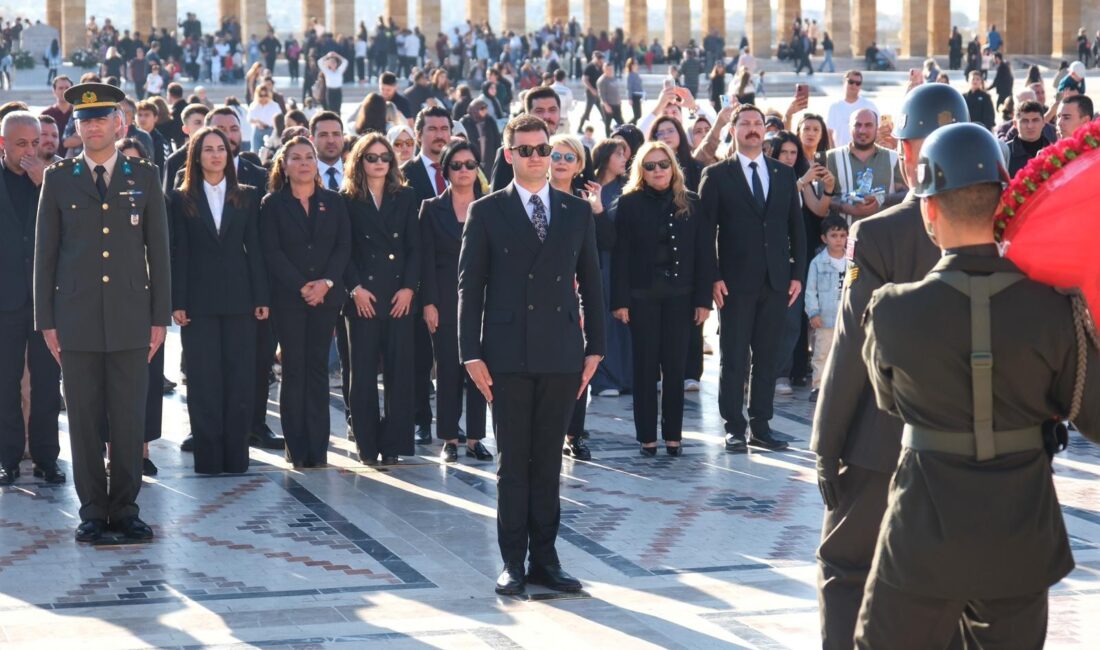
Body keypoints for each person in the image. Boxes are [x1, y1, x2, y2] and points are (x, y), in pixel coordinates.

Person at [853, 120, 1100, 648]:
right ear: (1002, 201)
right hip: (1021, 532)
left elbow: (889, 401)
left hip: (923, 532)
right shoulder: (1055, 310)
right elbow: (1094, 416)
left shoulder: (893, 311)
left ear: (929, 210)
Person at [811, 82, 968, 649]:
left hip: (881, 441)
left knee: (846, 567)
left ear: (903, 151)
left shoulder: (877, 233)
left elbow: (854, 346)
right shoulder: (1000, 229)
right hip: (970, 445)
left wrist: (826, 443)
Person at [458, 114, 605, 596]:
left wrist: (597, 348)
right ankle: (512, 562)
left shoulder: (576, 211)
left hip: (561, 352)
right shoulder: (486, 211)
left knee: (547, 462)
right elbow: (470, 289)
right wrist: (470, 353)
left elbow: (593, 283)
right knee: (513, 463)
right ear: (509, 155)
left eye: (544, 149)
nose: (538, 157)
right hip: (507, 354)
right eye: (526, 150)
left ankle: (546, 559)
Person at [34, 84, 171, 542]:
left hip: (132, 318)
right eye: (84, 119)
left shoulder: (144, 175)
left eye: (100, 118)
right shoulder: (59, 178)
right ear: (76, 126)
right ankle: (93, 510)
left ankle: (126, 509)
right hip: (75, 320)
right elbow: (45, 255)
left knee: (129, 419)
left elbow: (159, 252)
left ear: (119, 124)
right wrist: (46, 321)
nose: (92, 126)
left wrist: (159, 317)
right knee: (84, 420)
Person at [701, 104, 805, 453]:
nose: (752, 129)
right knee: (734, 357)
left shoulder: (783, 174)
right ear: (733, 130)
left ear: (765, 130)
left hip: (777, 281)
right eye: (745, 123)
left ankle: (761, 425)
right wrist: (713, 276)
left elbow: (796, 228)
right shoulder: (717, 175)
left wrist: (797, 274)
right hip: (734, 283)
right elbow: (705, 233)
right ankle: (733, 426)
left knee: (767, 356)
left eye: (757, 123)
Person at [168, 127, 269, 475]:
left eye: (221, 149)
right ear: (196, 156)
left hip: (241, 301)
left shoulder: (248, 195)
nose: (215, 155)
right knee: (203, 380)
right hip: (198, 303)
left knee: (240, 380)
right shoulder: (180, 199)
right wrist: (177, 301)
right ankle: (209, 459)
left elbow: (255, 248)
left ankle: (236, 457)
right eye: (208, 149)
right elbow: (179, 252)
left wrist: (261, 296)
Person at [610, 141, 710, 456]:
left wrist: (703, 300)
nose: (658, 171)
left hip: (681, 297)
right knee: (644, 367)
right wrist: (620, 300)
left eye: (663, 164)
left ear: (673, 167)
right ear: (641, 171)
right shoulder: (629, 203)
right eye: (650, 166)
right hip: (642, 297)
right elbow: (620, 255)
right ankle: (647, 437)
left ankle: (673, 436)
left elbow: (704, 253)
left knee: (676, 367)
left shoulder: (691, 202)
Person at [260, 137, 350, 468]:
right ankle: (296, 449)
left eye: (309, 157)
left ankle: (318, 448)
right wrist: (302, 286)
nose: (304, 163)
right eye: (296, 158)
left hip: (326, 298)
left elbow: (343, 246)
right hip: (289, 299)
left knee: (317, 370)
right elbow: (272, 251)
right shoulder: (272, 204)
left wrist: (326, 283)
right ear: (284, 166)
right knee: (294, 369)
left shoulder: (334, 201)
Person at [340, 133, 419, 465]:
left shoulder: (406, 196)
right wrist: (355, 288)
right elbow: (342, 249)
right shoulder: (346, 199)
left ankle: (394, 443)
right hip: (363, 297)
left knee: (400, 373)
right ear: (359, 161)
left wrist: (409, 288)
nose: (379, 163)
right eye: (371, 157)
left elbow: (415, 246)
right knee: (362, 375)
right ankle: (367, 444)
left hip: (399, 295)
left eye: (385, 157)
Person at [0, 112, 63, 486]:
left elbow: (72, 228)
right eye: (21, 144)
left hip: (46, 301)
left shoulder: (55, 180)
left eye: (34, 143)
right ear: (3, 144)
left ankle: (46, 457)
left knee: (47, 383)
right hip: (4, 300)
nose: (29, 151)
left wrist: (44, 186)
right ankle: (7, 458)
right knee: (4, 383)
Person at [420, 140, 492, 463]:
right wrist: (428, 303)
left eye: (470, 164)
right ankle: (449, 438)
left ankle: (476, 438)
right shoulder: (431, 208)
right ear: (445, 170)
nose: (464, 170)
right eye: (457, 165)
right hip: (445, 302)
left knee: (481, 371)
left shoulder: (491, 206)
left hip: (486, 302)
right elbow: (425, 260)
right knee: (448, 371)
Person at [548, 133, 607, 460]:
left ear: (579, 165)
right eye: (556, 155)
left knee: (577, 365)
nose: (561, 162)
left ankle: (575, 433)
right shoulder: (532, 198)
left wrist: (597, 210)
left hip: (575, 297)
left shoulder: (584, 204)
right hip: (541, 295)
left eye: (569, 157)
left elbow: (605, 246)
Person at [400, 106, 453, 445]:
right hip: (417, 277)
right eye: (432, 129)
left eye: (444, 128)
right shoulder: (405, 174)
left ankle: (455, 425)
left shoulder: (463, 168)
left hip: (453, 277)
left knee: (453, 357)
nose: (439, 135)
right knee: (419, 355)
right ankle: (421, 419)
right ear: (419, 134)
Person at [826, 109, 906, 223]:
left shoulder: (893, 158)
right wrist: (850, 209)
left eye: (868, 125)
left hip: (884, 231)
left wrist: (881, 199)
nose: (862, 130)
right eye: (857, 125)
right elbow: (822, 198)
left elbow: (905, 194)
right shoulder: (831, 157)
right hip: (844, 232)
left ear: (876, 128)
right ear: (849, 127)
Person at [804, 217, 848, 402]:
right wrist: (813, 313)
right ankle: (818, 386)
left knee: (846, 354)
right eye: (834, 235)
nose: (838, 240)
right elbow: (810, 290)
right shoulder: (817, 263)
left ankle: (842, 387)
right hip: (825, 318)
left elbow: (858, 286)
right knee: (822, 353)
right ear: (824, 238)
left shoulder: (853, 262)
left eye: (842, 235)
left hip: (847, 318)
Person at [825, 70, 878, 147]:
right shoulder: (835, 107)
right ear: (844, 81)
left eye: (858, 83)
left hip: (864, 152)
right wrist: (833, 152)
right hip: (841, 151)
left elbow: (878, 130)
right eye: (851, 82)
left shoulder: (869, 106)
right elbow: (829, 133)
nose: (854, 85)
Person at [1006, 100, 1053, 176]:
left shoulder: (1054, 151)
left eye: (1035, 120)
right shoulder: (1005, 153)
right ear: (1015, 124)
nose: (1030, 126)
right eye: (1024, 121)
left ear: (1043, 122)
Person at [460, 99, 501, 176]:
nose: (485, 111)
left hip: (489, 160)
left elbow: (497, 140)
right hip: (471, 160)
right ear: (475, 109)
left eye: (486, 108)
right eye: (482, 108)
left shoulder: (490, 121)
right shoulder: (465, 122)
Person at [597, 62, 625, 137]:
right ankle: (607, 138)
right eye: (608, 69)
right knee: (608, 123)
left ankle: (622, 136)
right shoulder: (602, 80)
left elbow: (616, 90)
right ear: (604, 69)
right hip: (608, 105)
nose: (610, 71)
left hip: (616, 104)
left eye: (611, 69)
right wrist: (606, 105)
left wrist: (619, 99)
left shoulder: (613, 77)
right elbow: (601, 95)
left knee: (621, 122)